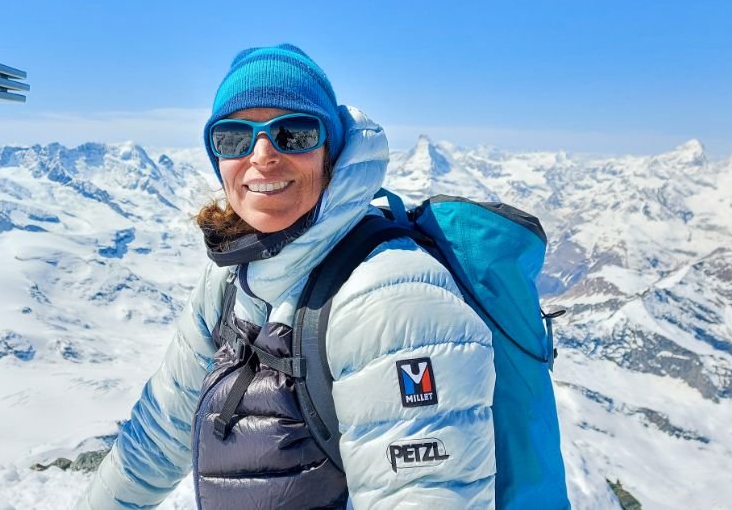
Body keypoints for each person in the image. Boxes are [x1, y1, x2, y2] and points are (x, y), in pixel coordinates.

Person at [77, 44, 496, 509]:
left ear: (330, 152)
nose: (262, 155)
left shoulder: (392, 295)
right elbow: (158, 435)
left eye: (293, 133)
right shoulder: (229, 282)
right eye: (233, 137)